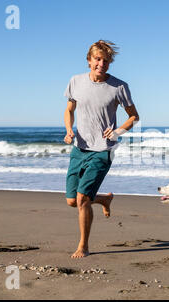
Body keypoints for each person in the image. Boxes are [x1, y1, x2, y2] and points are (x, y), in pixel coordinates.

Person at [63, 40, 139, 258]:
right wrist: (69, 130)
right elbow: (69, 109)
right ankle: (104, 199)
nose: (101, 64)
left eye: (106, 61)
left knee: (82, 200)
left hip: (103, 150)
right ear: (89, 60)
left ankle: (83, 246)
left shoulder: (119, 86)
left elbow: (134, 116)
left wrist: (118, 132)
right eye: (98, 59)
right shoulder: (75, 82)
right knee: (72, 201)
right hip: (80, 148)